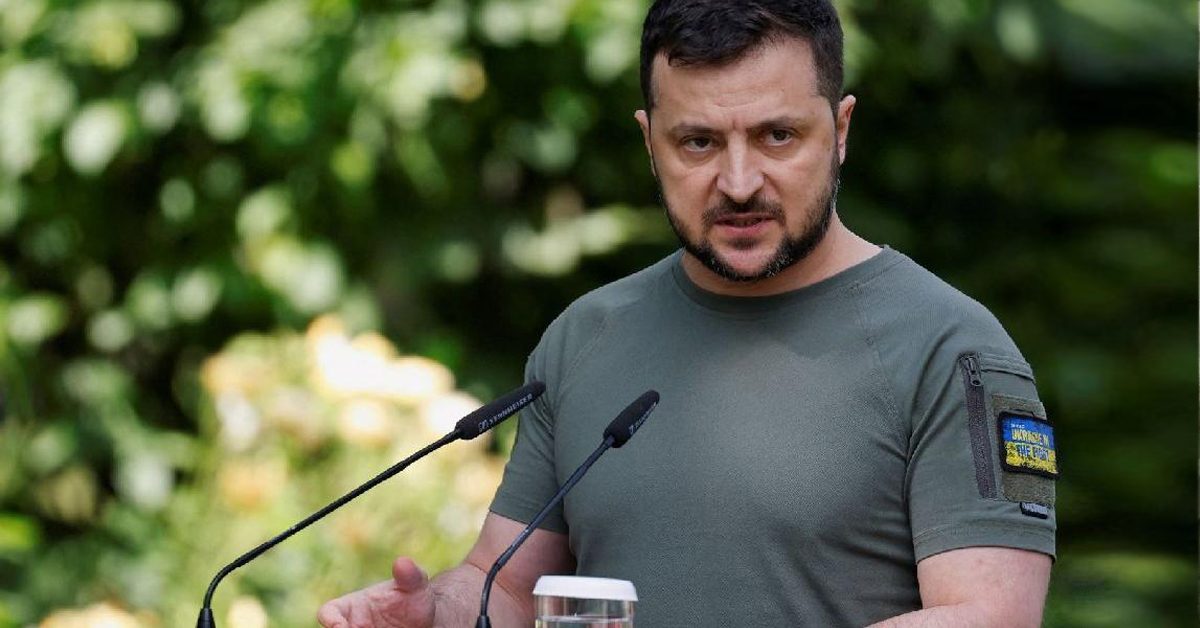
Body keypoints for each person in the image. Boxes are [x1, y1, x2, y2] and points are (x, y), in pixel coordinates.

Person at [318, 0, 1058, 625]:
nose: (738, 182)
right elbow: (507, 587)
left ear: (841, 130)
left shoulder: (952, 348)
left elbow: (990, 617)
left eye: (777, 136)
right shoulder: (586, 336)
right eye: (698, 142)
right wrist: (436, 613)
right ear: (650, 141)